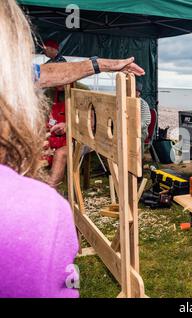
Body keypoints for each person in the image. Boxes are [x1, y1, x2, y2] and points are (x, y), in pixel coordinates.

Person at [0, 0, 78, 297]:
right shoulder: (37, 214)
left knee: (59, 152)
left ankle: (52, 183)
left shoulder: (65, 78)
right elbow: (65, 286)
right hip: (53, 131)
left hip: (66, 134)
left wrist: (68, 126)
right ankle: (46, 183)